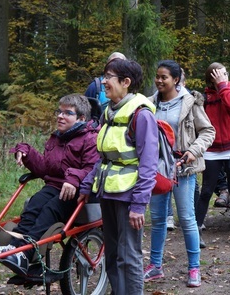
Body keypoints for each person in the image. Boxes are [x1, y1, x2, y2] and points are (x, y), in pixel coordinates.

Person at [0, 94, 100, 276]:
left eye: (67, 113)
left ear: (82, 119)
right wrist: (26, 152)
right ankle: (14, 249)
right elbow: (45, 168)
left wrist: (74, 178)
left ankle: (26, 252)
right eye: (59, 112)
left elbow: (93, 168)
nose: (60, 116)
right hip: (55, 186)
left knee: (50, 210)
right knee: (34, 205)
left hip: (78, 192)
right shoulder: (57, 138)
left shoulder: (90, 139)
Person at [78, 58, 158, 295]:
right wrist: (86, 186)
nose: (103, 81)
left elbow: (148, 164)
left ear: (126, 82)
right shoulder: (109, 112)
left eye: (109, 77)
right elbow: (103, 157)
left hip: (129, 197)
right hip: (108, 193)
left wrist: (139, 205)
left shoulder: (141, 116)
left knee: (129, 256)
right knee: (112, 254)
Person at [144, 60, 215, 288]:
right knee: (157, 220)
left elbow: (208, 131)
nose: (159, 80)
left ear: (175, 79)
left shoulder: (190, 102)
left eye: (163, 77)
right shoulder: (148, 104)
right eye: (157, 76)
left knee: (186, 219)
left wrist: (193, 152)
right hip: (157, 171)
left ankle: (194, 268)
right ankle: (155, 266)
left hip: (183, 169)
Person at [195, 62, 230, 248]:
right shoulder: (204, 98)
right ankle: (197, 231)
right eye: (219, 75)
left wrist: (223, 86)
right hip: (212, 149)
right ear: (211, 78)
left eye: (225, 73)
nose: (224, 77)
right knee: (207, 191)